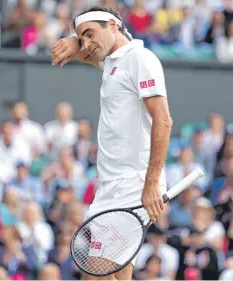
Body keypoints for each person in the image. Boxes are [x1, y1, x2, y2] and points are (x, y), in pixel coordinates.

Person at [51, 5, 173, 281]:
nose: (86, 43)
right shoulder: (114, 62)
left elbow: (163, 120)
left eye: (90, 34)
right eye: (82, 37)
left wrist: (151, 182)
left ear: (113, 26)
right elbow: (91, 55)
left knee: (94, 275)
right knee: (118, 276)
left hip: (133, 186)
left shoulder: (141, 58)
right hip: (110, 188)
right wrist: (76, 43)